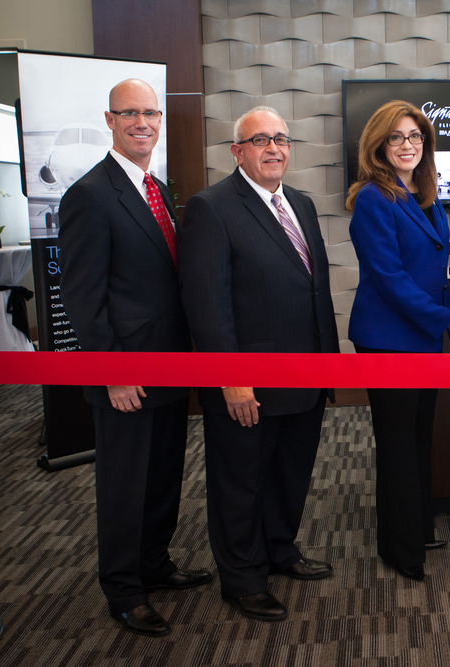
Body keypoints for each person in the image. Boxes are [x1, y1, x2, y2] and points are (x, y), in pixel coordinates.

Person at [59, 79, 209, 637]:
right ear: (110, 119)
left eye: (150, 112)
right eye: (130, 113)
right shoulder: (89, 195)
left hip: (170, 365)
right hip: (125, 373)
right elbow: (81, 296)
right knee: (125, 483)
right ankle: (123, 589)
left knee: (164, 473)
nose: (142, 121)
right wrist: (114, 370)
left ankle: (154, 563)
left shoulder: (158, 187)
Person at [179, 106, 338, 621]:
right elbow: (207, 304)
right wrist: (231, 378)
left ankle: (279, 549)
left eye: (281, 139)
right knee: (241, 481)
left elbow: (314, 291)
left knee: (290, 473)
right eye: (260, 140)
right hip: (247, 385)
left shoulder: (302, 205)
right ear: (237, 152)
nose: (274, 149)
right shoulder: (211, 208)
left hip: (306, 376)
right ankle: (242, 578)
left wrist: (329, 369)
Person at [346, 100, 450, 582]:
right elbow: (390, 279)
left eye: (415, 137)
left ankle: (417, 526)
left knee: (420, 436)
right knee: (398, 442)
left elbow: (422, 263)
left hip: (420, 335)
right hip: (389, 339)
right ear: (379, 144)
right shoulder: (374, 199)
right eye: (396, 137)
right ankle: (401, 548)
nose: (407, 145)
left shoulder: (424, 193)